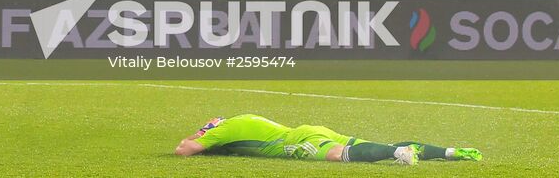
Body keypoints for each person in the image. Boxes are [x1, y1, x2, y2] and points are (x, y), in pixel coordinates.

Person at [174, 114, 480, 164]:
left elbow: (183, 151)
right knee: (365, 144)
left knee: (337, 155)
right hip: (311, 129)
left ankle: (399, 153)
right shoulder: (243, 120)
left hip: (295, 141)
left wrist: (202, 133)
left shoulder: (224, 129)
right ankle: (451, 152)